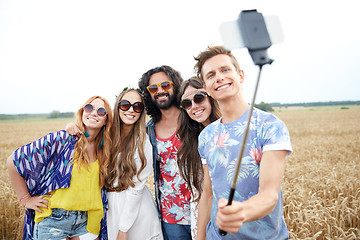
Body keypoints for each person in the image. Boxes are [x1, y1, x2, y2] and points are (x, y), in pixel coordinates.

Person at [194, 46, 293, 239]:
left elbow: (269, 195)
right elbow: (208, 194)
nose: (219, 77)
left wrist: (241, 211)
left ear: (240, 75)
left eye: (225, 70)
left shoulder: (270, 126)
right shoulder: (206, 136)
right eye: (211, 75)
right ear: (206, 88)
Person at [6, 95, 113, 240]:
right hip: (53, 222)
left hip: (87, 223)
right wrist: (26, 200)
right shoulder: (63, 139)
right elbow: (13, 161)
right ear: (83, 112)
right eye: (89, 108)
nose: (94, 113)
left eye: (101, 111)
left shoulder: (105, 149)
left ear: (107, 120)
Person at [65, 88, 163, 240]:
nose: (131, 110)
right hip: (108, 206)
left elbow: (136, 189)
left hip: (136, 211)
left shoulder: (143, 142)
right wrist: (71, 126)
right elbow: (86, 135)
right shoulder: (106, 134)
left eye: (137, 106)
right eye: (125, 104)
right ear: (117, 107)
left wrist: (123, 229)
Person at [138, 65, 192, 240]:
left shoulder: (193, 118)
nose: (160, 91)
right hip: (171, 217)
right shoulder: (149, 130)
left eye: (165, 85)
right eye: (153, 88)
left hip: (203, 210)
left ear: (175, 86)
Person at [177, 77, 221, 239]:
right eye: (187, 103)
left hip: (233, 221)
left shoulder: (230, 132)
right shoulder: (191, 142)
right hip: (204, 223)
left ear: (210, 96)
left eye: (198, 98)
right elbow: (199, 196)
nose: (194, 106)